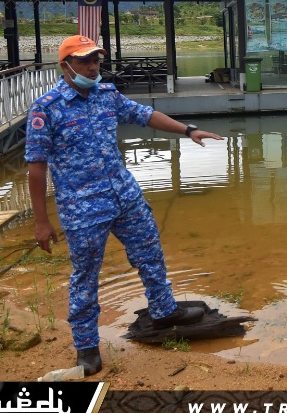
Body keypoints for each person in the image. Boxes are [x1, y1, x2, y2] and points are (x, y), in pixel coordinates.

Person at [25, 35, 224, 376]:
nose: (92, 66)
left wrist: (188, 130)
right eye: (85, 60)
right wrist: (41, 222)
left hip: (125, 196)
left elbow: (145, 116)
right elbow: (36, 167)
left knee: (150, 251)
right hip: (83, 208)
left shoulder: (107, 94)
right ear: (66, 65)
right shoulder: (46, 108)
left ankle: (163, 311)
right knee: (85, 277)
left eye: (96, 60)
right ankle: (87, 347)